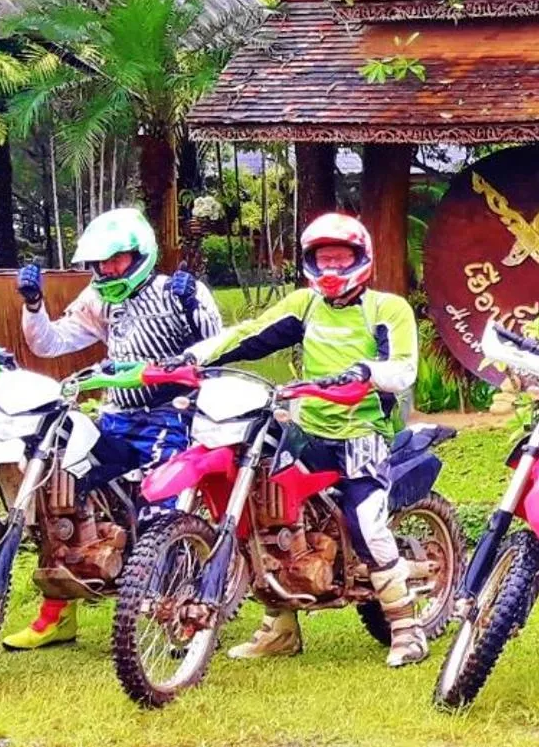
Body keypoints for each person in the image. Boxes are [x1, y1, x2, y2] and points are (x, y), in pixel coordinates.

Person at [180, 213, 428, 667]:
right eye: (323, 259)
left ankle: (407, 628)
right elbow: (252, 334)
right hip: (308, 427)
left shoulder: (387, 309)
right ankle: (280, 626)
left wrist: (368, 372)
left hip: (363, 430)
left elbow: (404, 368)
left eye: (340, 258)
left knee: (367, 522)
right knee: (264, 510)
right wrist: (196, 355)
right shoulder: (304, 305)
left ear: (362, 260)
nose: (331, 269)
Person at [4, 207, 222, 649]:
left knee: (160, 508)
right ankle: (56, 615)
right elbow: (51, 342)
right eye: (101, 263)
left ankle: (179, 609)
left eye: (117, 260)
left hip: (172, 415)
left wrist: (192, 307)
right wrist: (33, 305)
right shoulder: (100, 298)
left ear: (141, 254)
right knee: (63, 500)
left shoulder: (179, 290)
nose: (108, 270)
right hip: (115, 416)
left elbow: (216, 347)